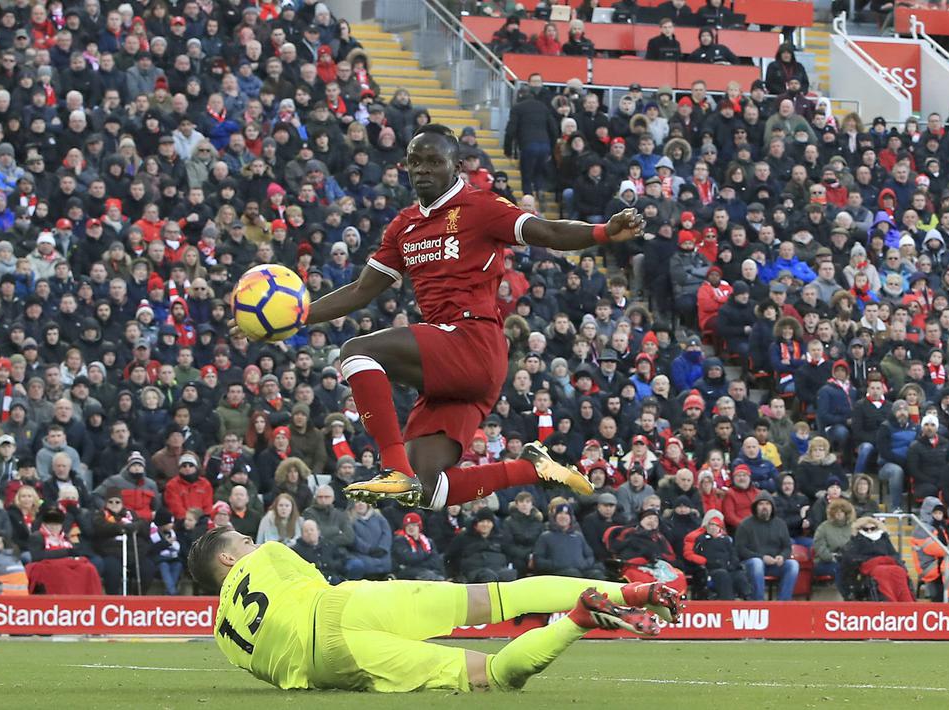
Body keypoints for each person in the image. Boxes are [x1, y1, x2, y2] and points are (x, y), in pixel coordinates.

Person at [232, 125, 644, 512]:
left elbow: (549, 233)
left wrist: (603, 232)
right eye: (416, 162)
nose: (423, 170)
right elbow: (361, 291)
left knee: (357, 353)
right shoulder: (404, 226)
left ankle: (393, 467)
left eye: (434, 161)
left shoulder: (482, 206)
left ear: (457, 166)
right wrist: (297, 316)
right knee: (427, 490)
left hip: (472, 340)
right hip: (451, 361)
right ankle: (532, 469)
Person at [189, 526, 683, 692]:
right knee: (495, 598)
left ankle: (579, 620)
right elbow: (315, 585)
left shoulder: (221, 637)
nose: (254, 541)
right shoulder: (269, 556)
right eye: (244, 540)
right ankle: (630, 592)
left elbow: (275, 672)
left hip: (333, 664)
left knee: (490, 676)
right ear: (230, 558)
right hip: (344, 605)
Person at [735, 492, 800, 600]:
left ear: (772, 507)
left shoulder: (780, 524)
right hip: (751, 564)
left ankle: (783, 604)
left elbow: (787, 547)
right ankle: (759, 603)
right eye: (761, 504)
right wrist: (762, 558)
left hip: (774, 564)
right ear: (755, 507)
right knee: (757, 563)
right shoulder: (745, 524)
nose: (764, 507)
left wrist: (782, 556)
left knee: (793, 564)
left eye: (767, 504)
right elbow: (740, 549)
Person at [840, 516, 914, 601]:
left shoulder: (883, 538)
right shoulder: (856, 540)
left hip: (887, 564)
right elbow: (851, 557)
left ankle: (905, 600)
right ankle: (889, 600)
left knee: (899, 571)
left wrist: (886, 560)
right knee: (882, 572)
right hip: (869, 566)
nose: (869, 531)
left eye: (872, 528)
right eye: (866, 529)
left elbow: (893, 554)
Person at [684, 509, 750, 600]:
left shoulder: (726, 539)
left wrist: (732, 565)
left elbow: (733, 555)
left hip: (727, 567)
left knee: (739, 575)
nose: (714, 527)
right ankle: (728, 602)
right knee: (722, 575)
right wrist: (706, 562)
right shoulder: (699, 539)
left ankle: (749, 601)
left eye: (717, 524)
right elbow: (691, 554)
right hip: (710, 569)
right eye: (711, 524)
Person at [392, 512, 446, 580]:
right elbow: (410, 559)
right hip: (407, 573)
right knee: (429, 576)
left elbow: (435, 562)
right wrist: (426, 554)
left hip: (426, 571)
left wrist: (419, 564)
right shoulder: (399, 540)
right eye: (408, 525)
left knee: (439, 575)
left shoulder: (428, 541)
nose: (411, 528)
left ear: (419, 527)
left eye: (414, 525)